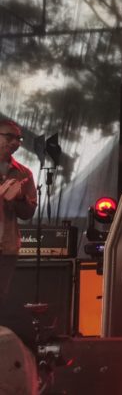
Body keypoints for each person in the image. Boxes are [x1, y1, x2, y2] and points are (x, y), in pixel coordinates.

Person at [0, 120, 38, 311]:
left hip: (6, 247)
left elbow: (28, 213)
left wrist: (20, 197)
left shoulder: (24, 173)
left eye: (19, 139)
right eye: (9, 136)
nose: (15, 142)